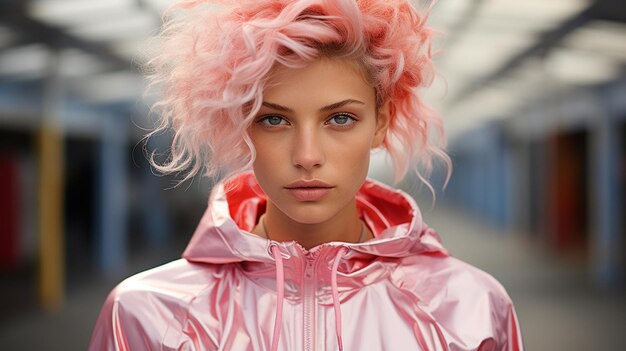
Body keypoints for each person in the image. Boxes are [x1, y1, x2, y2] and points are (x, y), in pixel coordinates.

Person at [89, 0, 524, 350]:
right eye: (274, 121)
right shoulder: (150, 315)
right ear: (241, 126)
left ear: (382, 122)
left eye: (339, 119)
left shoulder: (467, 310)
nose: (307, 156)